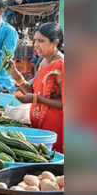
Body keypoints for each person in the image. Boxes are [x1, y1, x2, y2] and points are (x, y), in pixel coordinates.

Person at [10, 22, 64, 153]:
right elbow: (32, 90)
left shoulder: (62, 65)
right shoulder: (43, 63)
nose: (36, 45)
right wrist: (18, 78)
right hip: (39, 125)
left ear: (55, 42)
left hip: (56, 128)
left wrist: (36, 99)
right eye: (35, 41)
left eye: (41, 41)